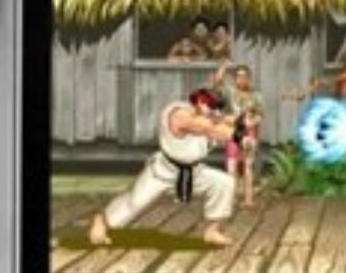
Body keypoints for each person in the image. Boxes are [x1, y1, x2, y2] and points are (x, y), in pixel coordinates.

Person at [89, 87, 239, 247]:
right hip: (163, 172)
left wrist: (239, 122)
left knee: (223, 182)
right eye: (212, 107)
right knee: (135, 203)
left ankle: (212, 231)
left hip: (193, 172)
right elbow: (205, 127)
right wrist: (233, 125)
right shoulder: (178, 114)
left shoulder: (209, 117)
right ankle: (101, 221)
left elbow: (222, 125)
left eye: (216, 109)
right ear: (200, 101)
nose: (214, 112)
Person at [216, 60, 264, 209]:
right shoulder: (231, 92)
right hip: (233, 132)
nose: (242, 79)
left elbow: (260, 116)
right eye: (238, 76)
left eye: (244, 76)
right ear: (235, 78)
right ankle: (231, 198)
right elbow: (218, 82)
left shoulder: (256, 96)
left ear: (249, 78)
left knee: (248, 166)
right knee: (231, 166)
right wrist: (223, 67)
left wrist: (252, 123)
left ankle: (249, 199)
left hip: (249, 133)